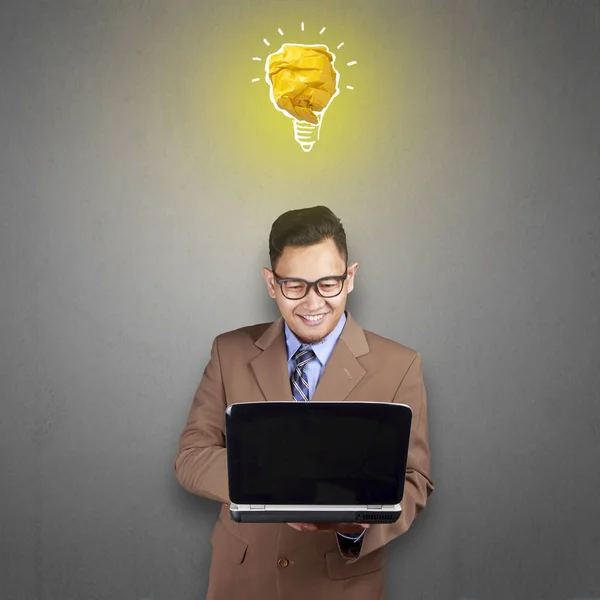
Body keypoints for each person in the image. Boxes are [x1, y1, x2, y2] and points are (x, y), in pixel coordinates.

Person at [174, 205, 434, 600]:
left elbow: (415, 479)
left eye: (327, 283)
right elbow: (192, 458)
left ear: (350, 279)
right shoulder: (229, 351)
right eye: (295, 285)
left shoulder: (400, 365)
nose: (313, 303)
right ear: (271, 283)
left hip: (340, 585)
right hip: (243, 582)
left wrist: (353, 526)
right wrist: (273, 482)